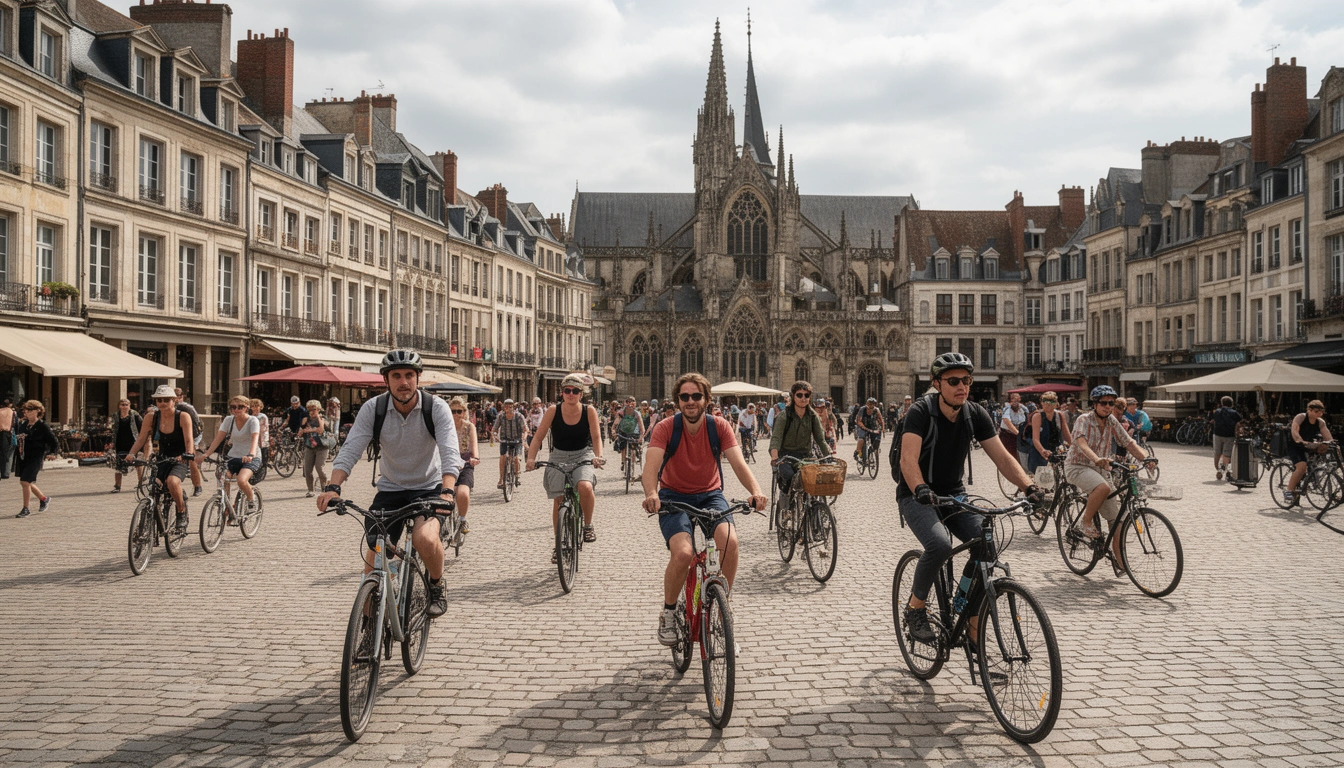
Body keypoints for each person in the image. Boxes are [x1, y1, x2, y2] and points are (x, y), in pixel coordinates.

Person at [896, 353, 1043, 646]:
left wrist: (1029, 486)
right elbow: (907, 459)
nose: (962, 386)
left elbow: (1002, 457)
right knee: (939, 545)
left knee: (987, 544)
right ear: (937, 384)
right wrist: (921, 488)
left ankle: (971, 622)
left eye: (966, 379)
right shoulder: (921, 412)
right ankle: (916, 608)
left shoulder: (975, 413)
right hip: (917, 494)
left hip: (954, 495)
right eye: (953, 381)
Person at [319, 350, 462, 619]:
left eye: (409, 375)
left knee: (424, 538)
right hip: (391, 489)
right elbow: (350, 449)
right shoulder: (374, 409)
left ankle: (436, 585)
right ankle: (366, 630)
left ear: (418, 378)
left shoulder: (436, 408)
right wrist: (333, 487)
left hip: (430, 488)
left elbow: (450, 452)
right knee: (374, 558)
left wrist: (447, 489)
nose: (403, 382)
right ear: (386, 380)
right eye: (396, 376)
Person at [643, 373, 768, 646]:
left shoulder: (719, 426)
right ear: (677, 401)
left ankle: (724, 606)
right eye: (685, 397)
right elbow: (650, 467)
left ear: (707, 400)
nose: (690, 401)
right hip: (673, 497)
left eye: (696, 396)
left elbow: (738, 463)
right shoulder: (665, 428)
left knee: (730, 542)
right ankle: (668, 611)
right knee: (684, 553)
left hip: (711, 495)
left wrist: (756, 491)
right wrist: (652, 493)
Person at [1066, 385, 1157, 569]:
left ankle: (1121, 564)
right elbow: (1081, 442)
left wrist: (1146, 458)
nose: (1108, 407)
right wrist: (1096, 458)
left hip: (1101, 469)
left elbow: (1129, 442)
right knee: (1103, 488)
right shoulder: (1084, 419)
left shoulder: (1111, 421)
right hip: (1078, 466)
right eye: (1104, 403)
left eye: (1111, 403)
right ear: (1094, 404)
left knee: (1118, 521)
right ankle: (1086, 522)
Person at [526, 373, 606, 558]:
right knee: (559, 499)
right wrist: (531, 458)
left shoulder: (589, 411)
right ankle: (559, 543)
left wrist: (598, 456)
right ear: (562, 393)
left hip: (582, 454)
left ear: (581, 393)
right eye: (567, 391)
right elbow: (538, 437)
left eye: (575, 391)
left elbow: (596, 437)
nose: (571, 394)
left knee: (584, 486)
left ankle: (588, 525)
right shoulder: (553, 411)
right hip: (558, 455)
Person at [127, 386, 196, 530]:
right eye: (159, 400)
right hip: (162, 457)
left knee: (172, 481)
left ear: (174, 401)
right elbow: (141, 439)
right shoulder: (151, 417)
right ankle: (152, 516)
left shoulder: (183, 416)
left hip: (180, 457)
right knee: (154, 485)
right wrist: (131, 454)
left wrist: (187, 454)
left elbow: (189, 440)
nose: (162, 403)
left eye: (166, 400)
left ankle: (181, 511)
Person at [195, 395, 262, 513]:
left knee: (241, 480)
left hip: (251, 457)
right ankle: (227, 506)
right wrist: (206, 454)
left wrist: (251, 455)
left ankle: (251, 501)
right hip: (233, 455)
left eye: (240, 407)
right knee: (223, 476)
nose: (236, 410)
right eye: (233, 407)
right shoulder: (228, 420)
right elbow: (218, 438)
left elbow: (255, 438)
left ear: (246, 408)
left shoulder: (252, 420)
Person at [771, 381, 832, 496]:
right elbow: (776, 439)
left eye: (806, 395)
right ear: (793, 396)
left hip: (806, 456)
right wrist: (775, 458)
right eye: (799, 395)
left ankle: (813, 508)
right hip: (787, 456)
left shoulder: (813, 416)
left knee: (816, 480)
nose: (803, 398)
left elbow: (821, 440)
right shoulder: (784, 416)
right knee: (789, 477)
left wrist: (829, 456)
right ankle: (787, 509)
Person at [12, 400, 58, 518]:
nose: (26, 412)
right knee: (27, 482)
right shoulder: (23, 425)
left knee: (24, 481)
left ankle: (26, 508)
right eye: (25, 410)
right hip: (24, 456)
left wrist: (53, 453)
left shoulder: (42, 426)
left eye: (30, 410)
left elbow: (53, 441)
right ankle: (43, 499)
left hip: (36, 457)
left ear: (37, 411)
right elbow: (18, 438)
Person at [1284, 400, 1334, 506]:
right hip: (1295, 446)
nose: (1319, 414)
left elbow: (1327, 435)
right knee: (1301, 467)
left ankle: (1306, 484)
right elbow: (1295, 430)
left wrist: (1331, 443)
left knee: (1315, 464)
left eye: (1321, 412)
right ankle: (1288, 490)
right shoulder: (1301, 417)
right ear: (1309, 410)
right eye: (1316, 411)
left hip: (1309, 446)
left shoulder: (1320, 422)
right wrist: (1300, 440)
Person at [449, 397, 478, 535]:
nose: (456, 414)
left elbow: (474, 445)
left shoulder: (469, 426)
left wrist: (475, 457)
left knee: (462, 493)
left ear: (464, 412)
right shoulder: (445, 427)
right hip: (448, 463)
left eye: (459, 411)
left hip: (465, 462)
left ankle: (462, 519)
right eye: (452, 411)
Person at [1026, 391, 1072, 474]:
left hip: (1056, 449)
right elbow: (1035, 439)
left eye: (1052, 402)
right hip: (1040, 450)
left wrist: (1074, 448)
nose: (1048, 404)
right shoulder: (1037, 416)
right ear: (1041, 403)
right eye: (1045, 401)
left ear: (1056, 404)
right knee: (1041, 479)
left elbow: (1067, 436)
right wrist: (1043, 451)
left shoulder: (1060, 415)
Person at [295, 400, 329, 497]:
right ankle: (310, 490)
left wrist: (311, 428)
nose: (312, 412)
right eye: (310, 410)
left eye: (314, 409)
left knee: (319, 467)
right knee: (307, 470)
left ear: (318, 409)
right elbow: (300, 432)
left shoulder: (323, 418)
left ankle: (324, 483)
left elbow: (321, 430)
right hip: (309, 446)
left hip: (322, 446)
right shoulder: (306, 419)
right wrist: (302, 428)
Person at [109, 399, 143, 492]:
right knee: (118, 465)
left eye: (126, 404)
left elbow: (143, 427)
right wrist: (112, 442)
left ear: (130, 405)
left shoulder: (135, 415)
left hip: (133, 443)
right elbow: (113, 429)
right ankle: (117, 486)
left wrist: (142, 440)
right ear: (119, 406)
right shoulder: (116, 416)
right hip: (120, 443)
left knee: (138, 464)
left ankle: (141, 484)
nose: (124, 406)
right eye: (122, 405)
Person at [494, 399, 529, 490]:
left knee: (516, 458)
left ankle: (517, 474)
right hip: (504, 440)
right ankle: (501, 479)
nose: (508, 408)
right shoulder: (501, 416)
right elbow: (495, 428)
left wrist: (524, 437)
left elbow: (525, 429)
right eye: (506, 406)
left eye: (510, 406)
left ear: (513, 407)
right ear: (503, 407)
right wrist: (495, 435)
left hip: (517, 441)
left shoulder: (519, 416)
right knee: (502, 457)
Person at [1209, 396, 1241, 481]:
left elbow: (1213, 421)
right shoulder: (1234, 413)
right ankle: (1224, 468)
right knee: (1227, 454)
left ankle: (1218, 469)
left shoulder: (1217, 412)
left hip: (1217, 434)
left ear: (1222, 403)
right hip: (1229, 435)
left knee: (1217, 452)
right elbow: (1238, 424)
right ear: (1231, 404)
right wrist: (1237, 432)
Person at [613, 396, 645, 468]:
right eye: (628, 403)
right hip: (624, 432)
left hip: (634, 432)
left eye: (632, 403)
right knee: (623, 446)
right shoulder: (621, 412)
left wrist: (641, 436)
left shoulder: (637, 413)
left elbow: (641, 426)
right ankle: (623, 462)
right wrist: (613, 430)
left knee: (632, 447)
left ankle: (632, 466)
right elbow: (616, 422)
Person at [998, 392, 1027, 468]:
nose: (1015, 401)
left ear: (1019, 399)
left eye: (1017, 399)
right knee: (1011, 455)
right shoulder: (1007, 408)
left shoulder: (1022, 409)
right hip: (1008, 434)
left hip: (1018, 435)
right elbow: (1006, 421)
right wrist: (1017, 433)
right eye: (1013, 399)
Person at [853, 397, 885, 464]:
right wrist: (866, 429)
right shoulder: (862, 409)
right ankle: (857, 452)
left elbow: (881, 420)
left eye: (873, 404)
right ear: (867, 404)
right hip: (862, 426)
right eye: (870, 404)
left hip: (871, 426)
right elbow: (859, 421)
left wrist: (883, 429)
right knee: (862, 439)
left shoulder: (876, 410)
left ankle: (873, 449)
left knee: (876, 437)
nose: (871, 406)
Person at [249, 399, 271, 465]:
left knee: (264, 455)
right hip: (253, 439)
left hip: (262, 439)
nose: (255, 408)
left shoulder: (263, 416)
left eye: (257, 406)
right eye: (253, 406)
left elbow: (266, 427)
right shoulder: (250, 417)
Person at [0, 398, 14, 480]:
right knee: (7, 454)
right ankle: (5, 473)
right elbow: (15, 423)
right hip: (7, 433)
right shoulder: (11, 412)